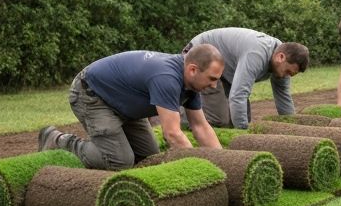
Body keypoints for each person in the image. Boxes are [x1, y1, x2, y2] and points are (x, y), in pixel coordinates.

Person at [38, 46, 224, 170]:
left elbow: (200, 127)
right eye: (212, 78)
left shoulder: (191, 85)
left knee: (148, 159)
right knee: (121, 161)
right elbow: (173, 134)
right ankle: (59, 140)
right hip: (93, 94)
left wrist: (223, 163)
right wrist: (196, 167)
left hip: (125, 103)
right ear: (193, 70)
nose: (214, 86)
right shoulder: (167, 78)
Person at [183, 27, 309, 128]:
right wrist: (244, 137)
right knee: (219, 118)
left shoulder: (283, 59)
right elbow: (238, 95)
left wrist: (294, 128)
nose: (286, 76)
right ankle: (175, 125)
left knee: (242, 118)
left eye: (291, 75)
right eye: (287, 72)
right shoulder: (256, 54)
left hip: (227, 69)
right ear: (280, 57)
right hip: (202, 58)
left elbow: (284, 99)